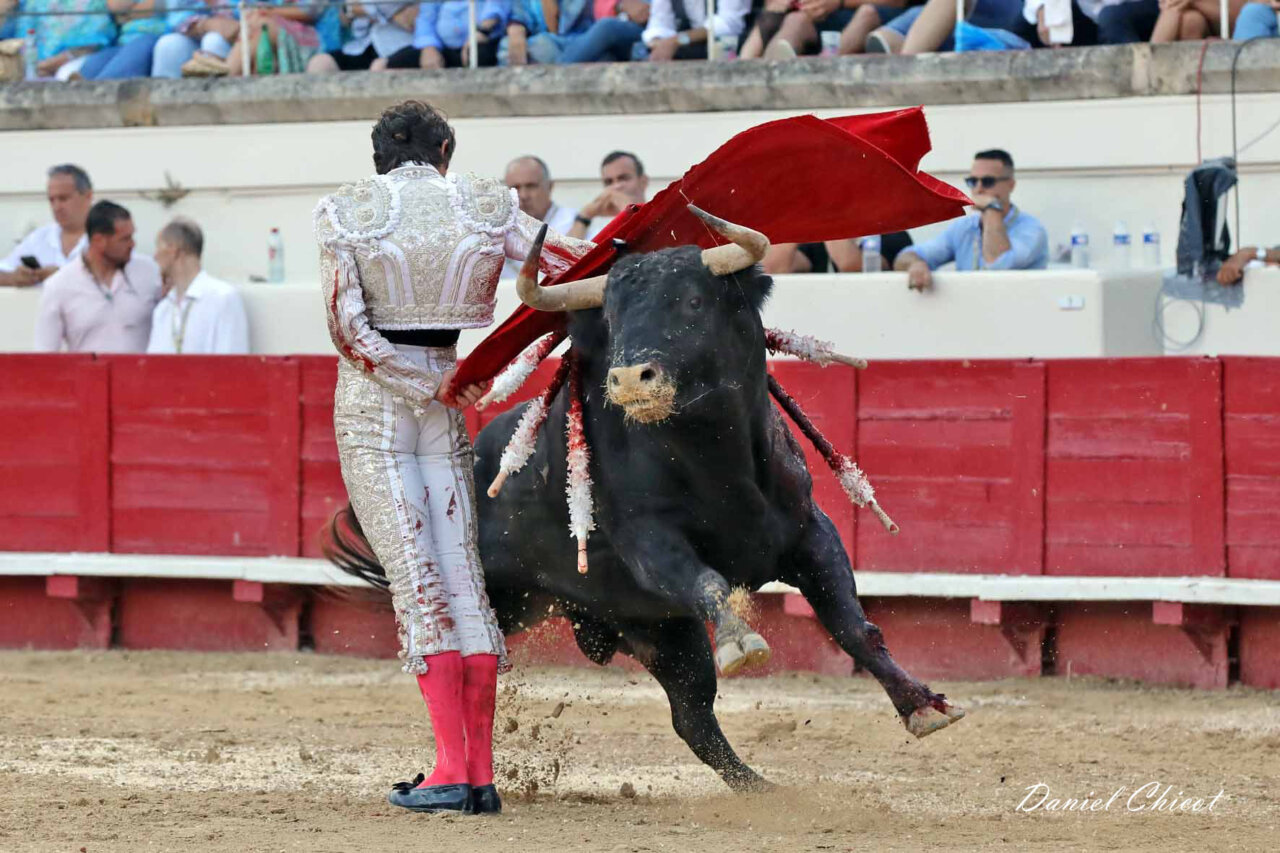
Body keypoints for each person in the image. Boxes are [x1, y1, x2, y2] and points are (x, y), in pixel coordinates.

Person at [314, 100, 593, 815]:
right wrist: (651, 248)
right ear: (445, 150)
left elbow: (349, 332)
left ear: (378, 158)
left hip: (377, 408)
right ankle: (478, 774)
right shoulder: (486, 203)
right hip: (449, 398)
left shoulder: (344, 209)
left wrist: (424, 384)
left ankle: (450, 770)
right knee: (463, 582)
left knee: (421, 585)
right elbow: (575, 264)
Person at [894, 149, 1047, 291]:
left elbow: (997, 265)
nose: (978, 189)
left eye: (987, 181)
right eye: (973, 181)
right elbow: (904, 256)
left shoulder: (1031, 229)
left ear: (1011, 185)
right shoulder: (964, 227)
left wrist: (992, 208)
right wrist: (916, 264)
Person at [34, 201, 162, 353]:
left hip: (143, 368)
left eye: (132, 236)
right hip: (86, 369)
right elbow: (45, 353)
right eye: (124, 239)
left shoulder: (151, 272)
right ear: (99, 241)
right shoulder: (58, 286)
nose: (132, 244)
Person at [146, 218, 249, 354]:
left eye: (158, 247)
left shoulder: (222, 298)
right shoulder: (163, 309)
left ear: (173, 250)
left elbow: (233, 358)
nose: (155, 256)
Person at [0, 165, 93, 288]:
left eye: (63, 199)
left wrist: (62, 276)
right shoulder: (39, 238)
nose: (57, 207)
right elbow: (3, 270)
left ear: (88, 196)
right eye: (52, 200)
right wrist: (14, 278)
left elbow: (113, 282)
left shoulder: (108, 237)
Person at [502, 156, 578, 278]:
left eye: (531, 186)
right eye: (516, 188)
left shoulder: (574, 222)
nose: (523, 195)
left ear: (550, 187)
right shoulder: (499, 230)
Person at [13, 0, 117, 80]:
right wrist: (33, 67)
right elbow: (23, 37)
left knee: (65, 74)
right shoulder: (31, 3)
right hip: (35, 65)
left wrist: (51, 64)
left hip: (81, 59)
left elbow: (95, 41)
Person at [305, 1, 419, 72]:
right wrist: (389, 14)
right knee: (320, 64)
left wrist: (362, 9)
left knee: (379, 68)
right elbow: (345, 16)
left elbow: (410, 18)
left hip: (405, 46)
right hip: (363, 46)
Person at [392, 0, 508, 68]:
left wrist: (480, 32)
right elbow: (426, 19)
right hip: (444, 49)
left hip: (482, 42)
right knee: (402, 60)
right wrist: (429, 47)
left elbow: (496, 8)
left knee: (481, 56)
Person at [567, 150, 650, 240]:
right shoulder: (596, 228)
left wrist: (628, 210)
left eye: (623, 178)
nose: (615, 186)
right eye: (609, 182)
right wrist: (584, 216)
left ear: (643, 182)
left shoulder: (658, 216)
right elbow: (568, 248)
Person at [638, 0, 750, 59]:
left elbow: (729, 24)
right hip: (687, 44)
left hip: (734, 44)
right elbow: (659, 22)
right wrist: (658, 42)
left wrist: (675, 41)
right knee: (642, 52)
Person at [763, 232, 914, 273]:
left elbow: (849, 265)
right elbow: (772, 268)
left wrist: (826, 212)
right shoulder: (816, 239)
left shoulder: (893, 234)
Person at [501, 0, 593, 64]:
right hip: (537, 47)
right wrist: (516, 32)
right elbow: (519, 16)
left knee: (544, 46)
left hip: (576, 44)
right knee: (505, 47)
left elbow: (565, 29)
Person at [558, 0, 649, 61]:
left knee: (606, 27)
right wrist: (619, 6)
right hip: (581, 39)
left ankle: (558, 74)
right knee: (548, 43)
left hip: (643, 33)